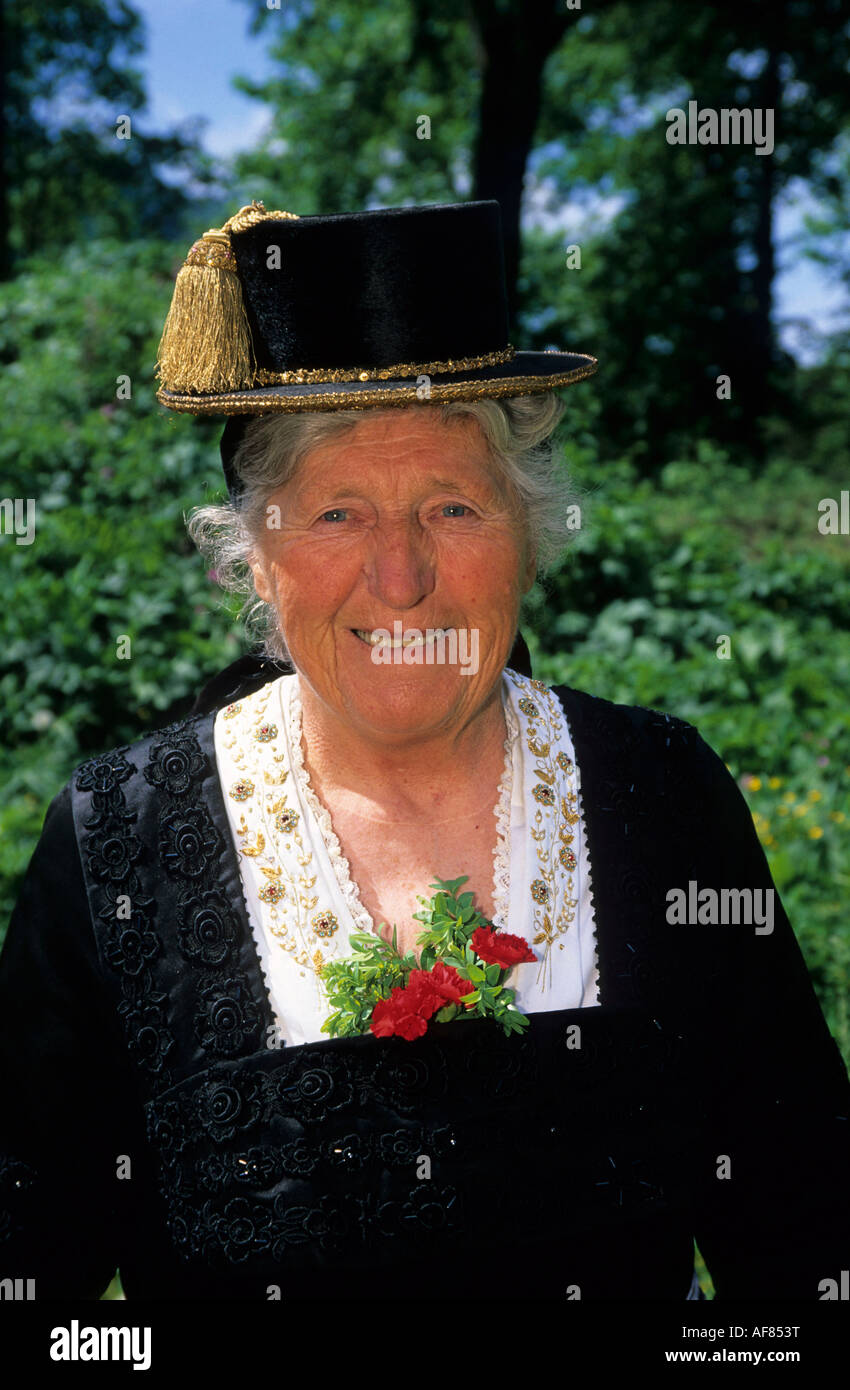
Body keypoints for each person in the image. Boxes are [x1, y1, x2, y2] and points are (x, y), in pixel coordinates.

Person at [0, 199, 847, 1303]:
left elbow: (803, 1242)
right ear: (255, 554)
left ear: (529, 533)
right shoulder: (115, 842)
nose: (399, 580)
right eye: (337, 514)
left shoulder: (662, 793)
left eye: (452, 507)